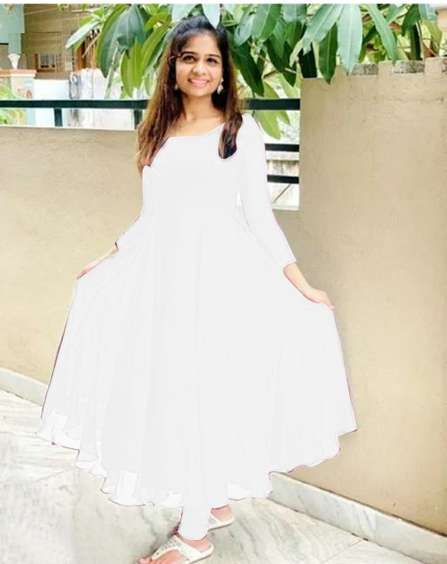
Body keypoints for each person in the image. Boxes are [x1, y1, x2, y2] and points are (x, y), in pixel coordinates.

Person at [37, 15, 358, 564]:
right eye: (190, 58)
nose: (201, 70)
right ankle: (211, 500)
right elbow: (154, 217)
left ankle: (194, 535)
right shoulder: (157, 131)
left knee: (202, 392)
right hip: (163, 281)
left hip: (219, 282)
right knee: (175, 390)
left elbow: (259, 218)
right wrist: (109, 255)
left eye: (211, 60)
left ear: (223, 70)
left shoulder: (239, 133)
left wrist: (301, 283)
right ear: (174, 66)